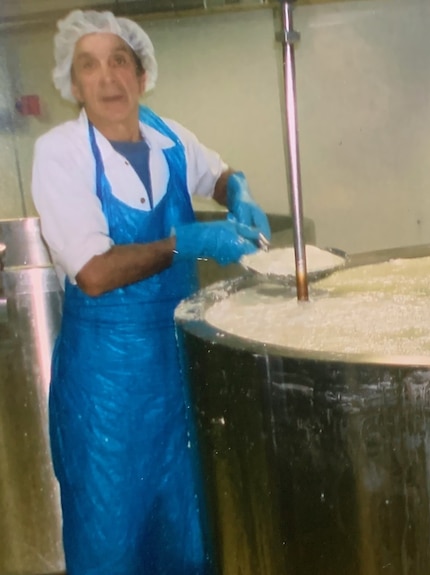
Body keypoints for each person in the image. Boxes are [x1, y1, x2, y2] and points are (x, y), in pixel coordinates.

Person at [30, 9, 271, 574]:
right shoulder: (61, 153)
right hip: (107, 391)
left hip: (179, 376)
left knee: (189, 531)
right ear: (73, 85)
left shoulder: (168, 136)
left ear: (141, 75)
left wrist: (239, 189)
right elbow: (92, 272)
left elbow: (216, 174)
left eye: (119, 61)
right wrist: (186, 242)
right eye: (89, 66)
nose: (108, 78)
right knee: (110, 538)